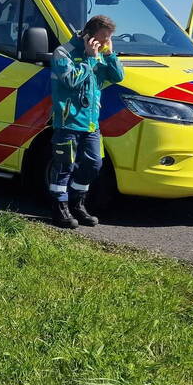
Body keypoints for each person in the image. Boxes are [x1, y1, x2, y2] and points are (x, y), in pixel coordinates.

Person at [48, 14, 124, 229]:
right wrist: (90, 59)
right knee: (64, 165)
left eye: (108, 38)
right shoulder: (63, 53)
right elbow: (70, 81)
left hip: (91, 123)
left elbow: (118, 76)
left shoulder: (101, 53)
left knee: (94, 164)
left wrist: (109, 53)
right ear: (88, 35)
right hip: (68, 122)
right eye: (103, 38)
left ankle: (77, 203)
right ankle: (59, 208)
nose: (105, 42)